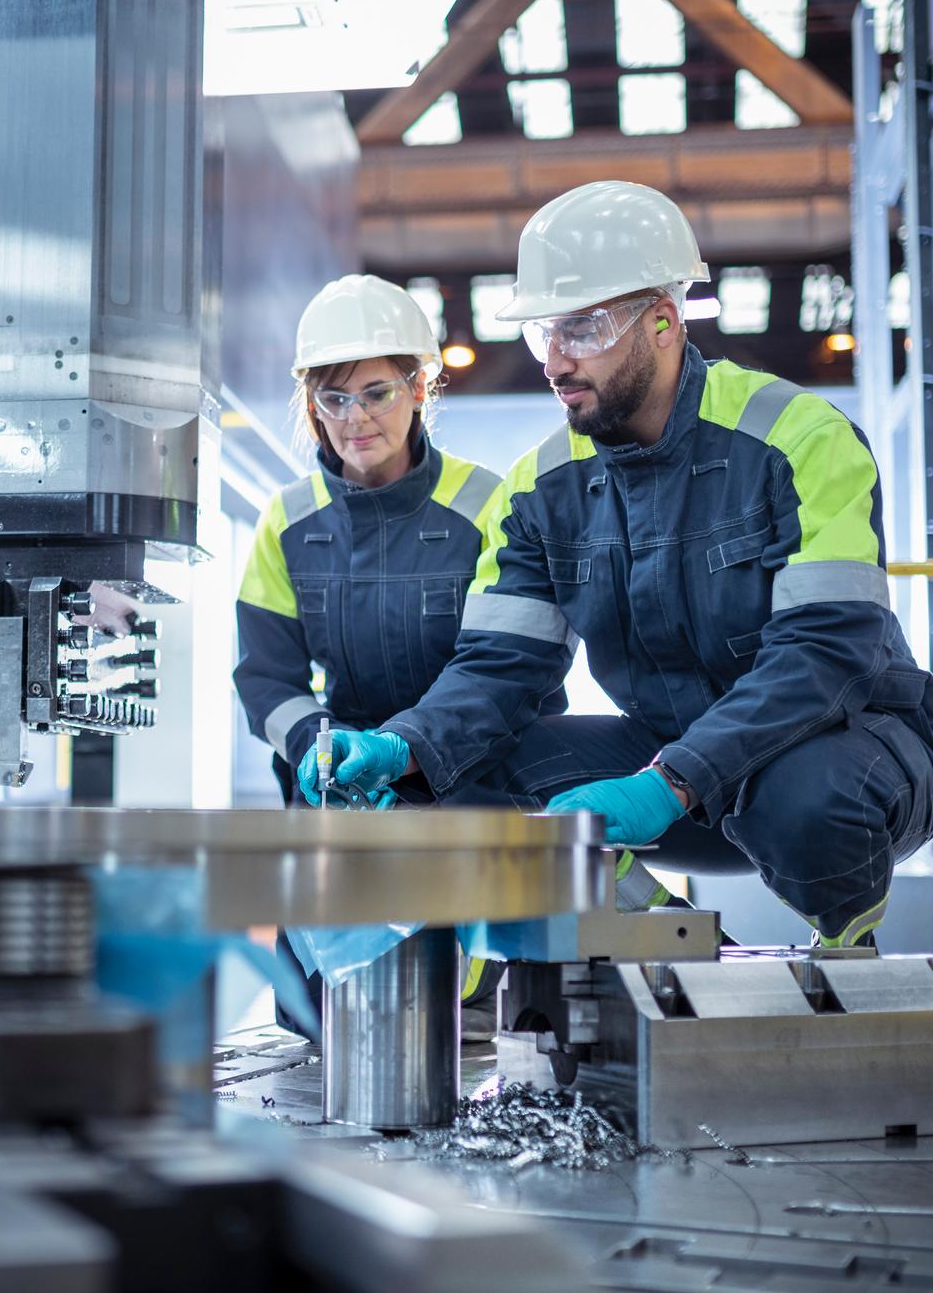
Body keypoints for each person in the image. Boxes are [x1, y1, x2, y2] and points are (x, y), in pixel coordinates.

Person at [297, 181, 933, 949]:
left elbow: (829, 654)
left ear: (664, 321)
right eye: (542, 333)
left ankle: (848, 963)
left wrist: (672, 781)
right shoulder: (540, 487)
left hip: (847, 754)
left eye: (582, 327)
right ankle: (682, 943)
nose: (555, 360)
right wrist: (404, 744)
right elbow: (500, 668)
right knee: (457, 779)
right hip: (670, 771)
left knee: (805, 796)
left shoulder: (798, 437)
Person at [235, 273, 538, 1028]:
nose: (354, 418)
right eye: (332, 398)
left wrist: (408, 751)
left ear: (419, 387)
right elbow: (265, 676)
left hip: (474, 780)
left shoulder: (485, 505)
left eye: (375, 392)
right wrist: (315, 742)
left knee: (478, 1017)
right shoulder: (288, 521)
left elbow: (512, 670)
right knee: (316, 1019)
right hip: (345, 790)